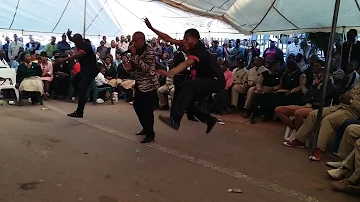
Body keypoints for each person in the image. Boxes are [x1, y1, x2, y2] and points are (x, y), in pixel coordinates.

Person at [144, 18, 225, 133]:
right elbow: (168, 38)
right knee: (186, 100)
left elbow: (186, 63)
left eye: (187, 39)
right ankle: (209, 120)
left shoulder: (199, 51)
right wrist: (151, 28)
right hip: (205, 80)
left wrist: (168, 73)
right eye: (183, 39)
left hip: (216, 81)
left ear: (195, 40)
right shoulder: (189, 44)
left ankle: (175, 120)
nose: (184, 41)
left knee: (189, 85)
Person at [122, 32, 159, 143]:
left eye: (136, 41)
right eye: (133, 41)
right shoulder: (134, 49)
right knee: (137, 106)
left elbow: (146, 68)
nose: (134, 43)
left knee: (147, 110)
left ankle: (150, 134)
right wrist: (127, 64)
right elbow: (134, 67)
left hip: (149, 83)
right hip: (139, 82)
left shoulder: (150, 51)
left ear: (143, 41)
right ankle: (145, 128)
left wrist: (134, 56)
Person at [55, 30, 99, 118]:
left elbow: (77, 55)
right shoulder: (79, 41)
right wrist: (68, 35)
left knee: (83, 88)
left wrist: (63, 60)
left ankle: (79, 112)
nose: (75, 45)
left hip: (91, 70)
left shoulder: (86, 45)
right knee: (74, 81)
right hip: (85, 70)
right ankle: (83, 96)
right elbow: (72, 39)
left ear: (79, 41)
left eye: (75, 43)